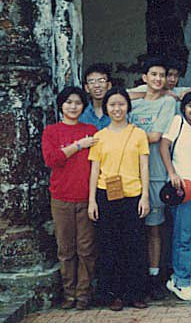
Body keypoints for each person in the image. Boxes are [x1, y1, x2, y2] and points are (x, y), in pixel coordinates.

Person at [87, 87, 150, 311]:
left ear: (127, 107)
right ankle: (113, 294)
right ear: (106, 108)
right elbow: (94, 170)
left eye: (121, 104)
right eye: (112, 105)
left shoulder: (138, 134)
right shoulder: (99, 136)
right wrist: (92, 200)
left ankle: (136, 293)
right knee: (110, 247)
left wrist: (145, 197)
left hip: (133, 196)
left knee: (134, 246)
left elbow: (144, 166)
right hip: (106, 195)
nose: (117, 109)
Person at [42, 86, 98, 310]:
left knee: (86, 248)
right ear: (61, 106)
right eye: (68, 102)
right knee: (65, 248)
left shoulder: (92, 130)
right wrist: (78, 146)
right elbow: (52, 159)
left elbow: (97, 163)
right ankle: (69, 293)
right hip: (61, 197)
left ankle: (83, 294)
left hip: (85, 196)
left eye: (77, 103)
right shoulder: (51, 131)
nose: (73, 106)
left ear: (83, 106)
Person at [128, 57, 177, 300]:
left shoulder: (168, 102)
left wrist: (126, 137)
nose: (158, 79)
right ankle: (136, 277)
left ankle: (155, 275)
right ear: (145, 78)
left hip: (156, 174)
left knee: (155, 228)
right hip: (130, 175)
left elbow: (156, 136)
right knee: (135, 230)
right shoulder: (131, 105)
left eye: (162, 75)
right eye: (153, 75)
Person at [159, 92, 191, 301]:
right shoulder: (178, 122)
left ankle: (189, 275)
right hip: (182, 190)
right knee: (183, 237)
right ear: (184, 108)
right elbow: (163, 145)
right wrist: (172, 173)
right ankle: (181, 281)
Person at [79, 63, 112, 130]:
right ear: (86, 88)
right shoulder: (80, 114)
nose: (97, 85)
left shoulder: (119, 111)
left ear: (109, 85)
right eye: (92, 82)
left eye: (101, 81)